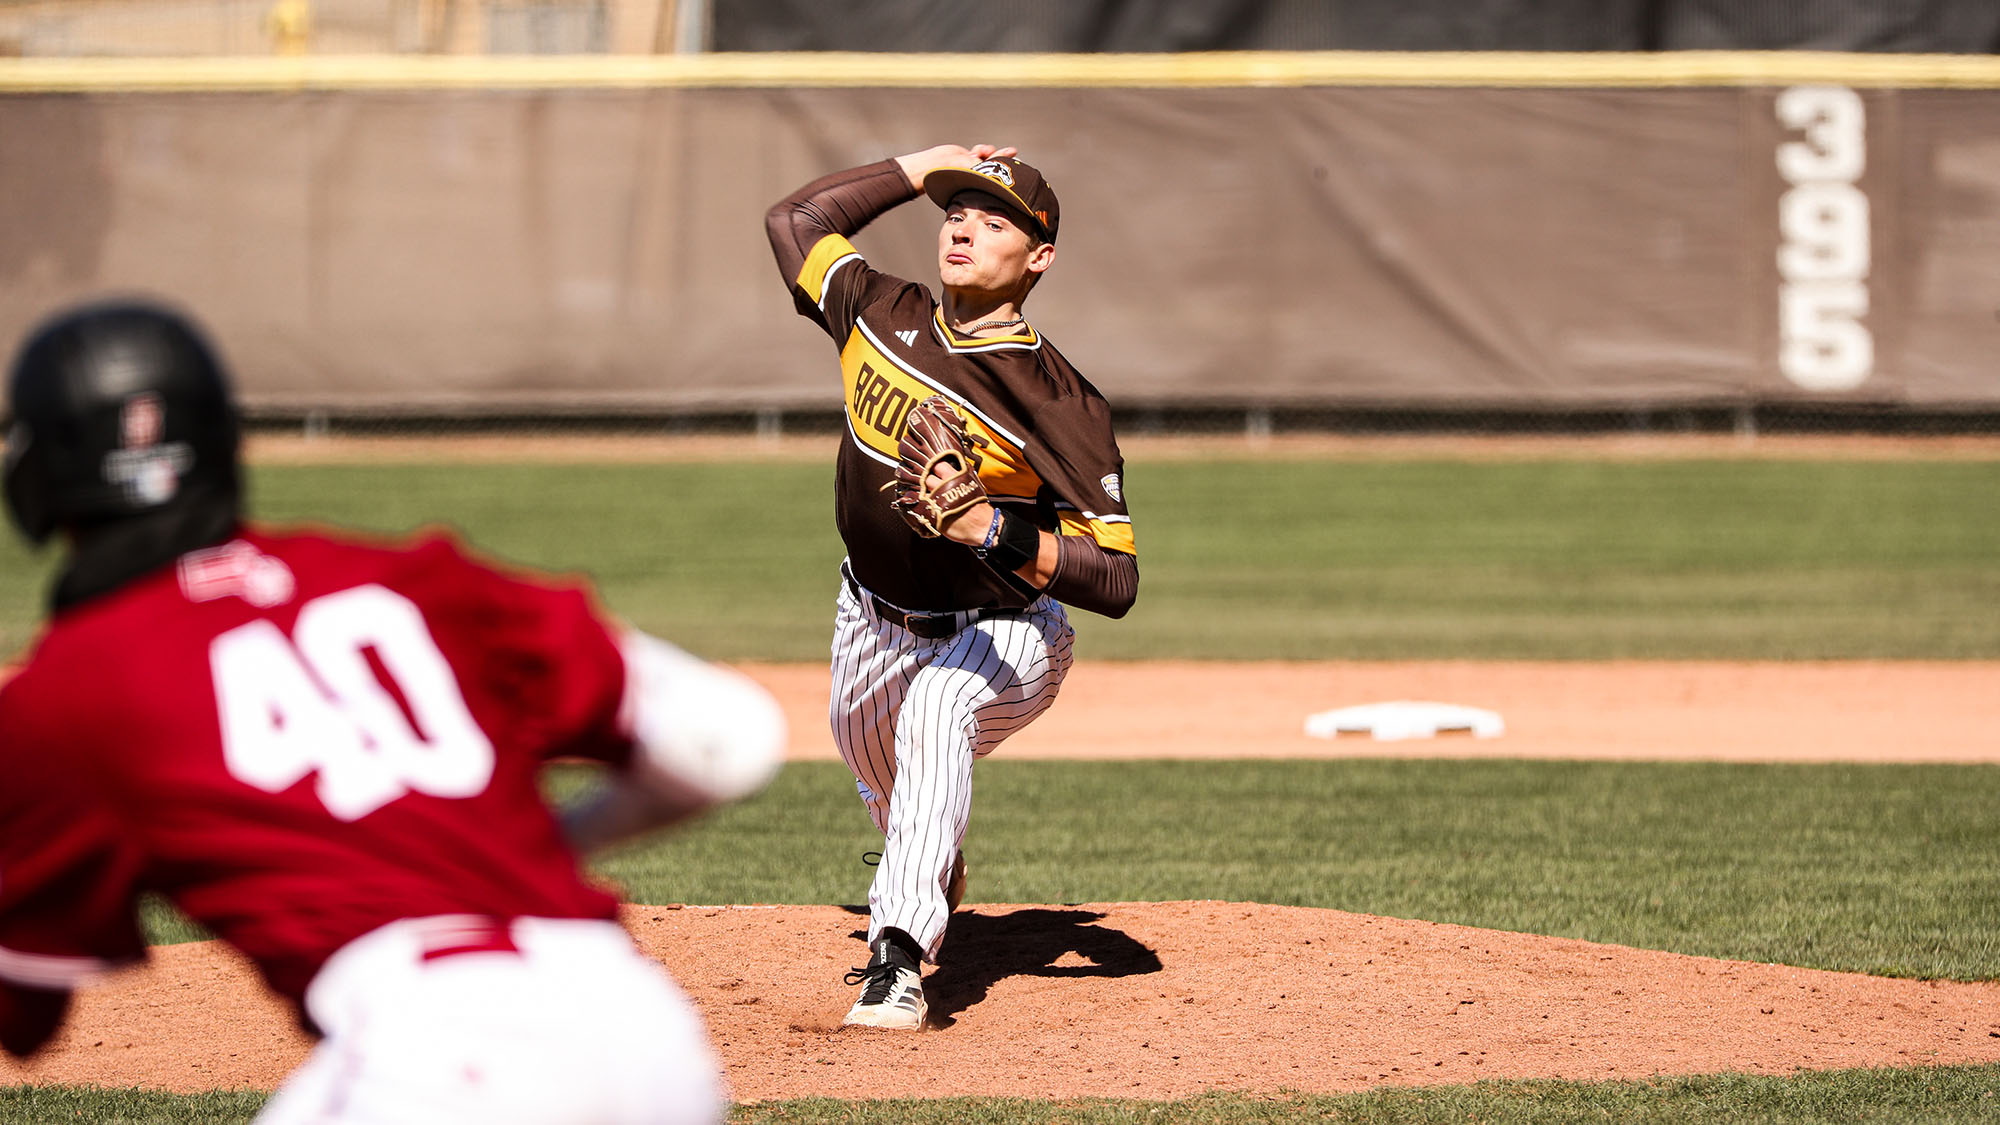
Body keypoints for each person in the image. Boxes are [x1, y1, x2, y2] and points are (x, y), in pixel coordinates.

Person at [0, 299, 785, 1123]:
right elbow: (733, 741)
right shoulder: (409, 580)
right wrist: (526, 853)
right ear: (226, 443)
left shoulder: (63, 693)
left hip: (436, 1060)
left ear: (37, 479)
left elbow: (26, 1006)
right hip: (646, 1034)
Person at [765, 145, 1138, 1030]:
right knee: (880, 766)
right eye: (955, 212)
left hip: (1008, 627)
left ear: (1039, 257)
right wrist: (920, 165)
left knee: (939, 710)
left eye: (995, 219)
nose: (964, 225)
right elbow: (794, 223)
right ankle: (927, 860)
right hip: (869, 619)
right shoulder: (877, 310)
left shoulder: (1058, 401)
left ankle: (895, 958)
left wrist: (990, 529)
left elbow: (1116, 577)